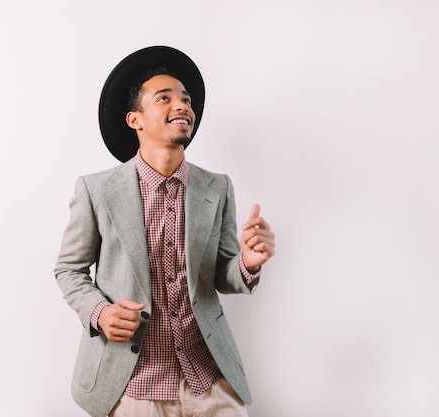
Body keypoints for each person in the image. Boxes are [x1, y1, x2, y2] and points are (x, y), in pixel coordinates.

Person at [54, 46, 275, 417]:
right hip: (133, 384)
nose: (183, 106)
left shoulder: (216, 187)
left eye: (186, 100)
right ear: (134, 119)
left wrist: (248, 263)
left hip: (209, 378)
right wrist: (100, 313)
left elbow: (221, 273)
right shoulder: (96, 191)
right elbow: (68, 271)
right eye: (165, 98)